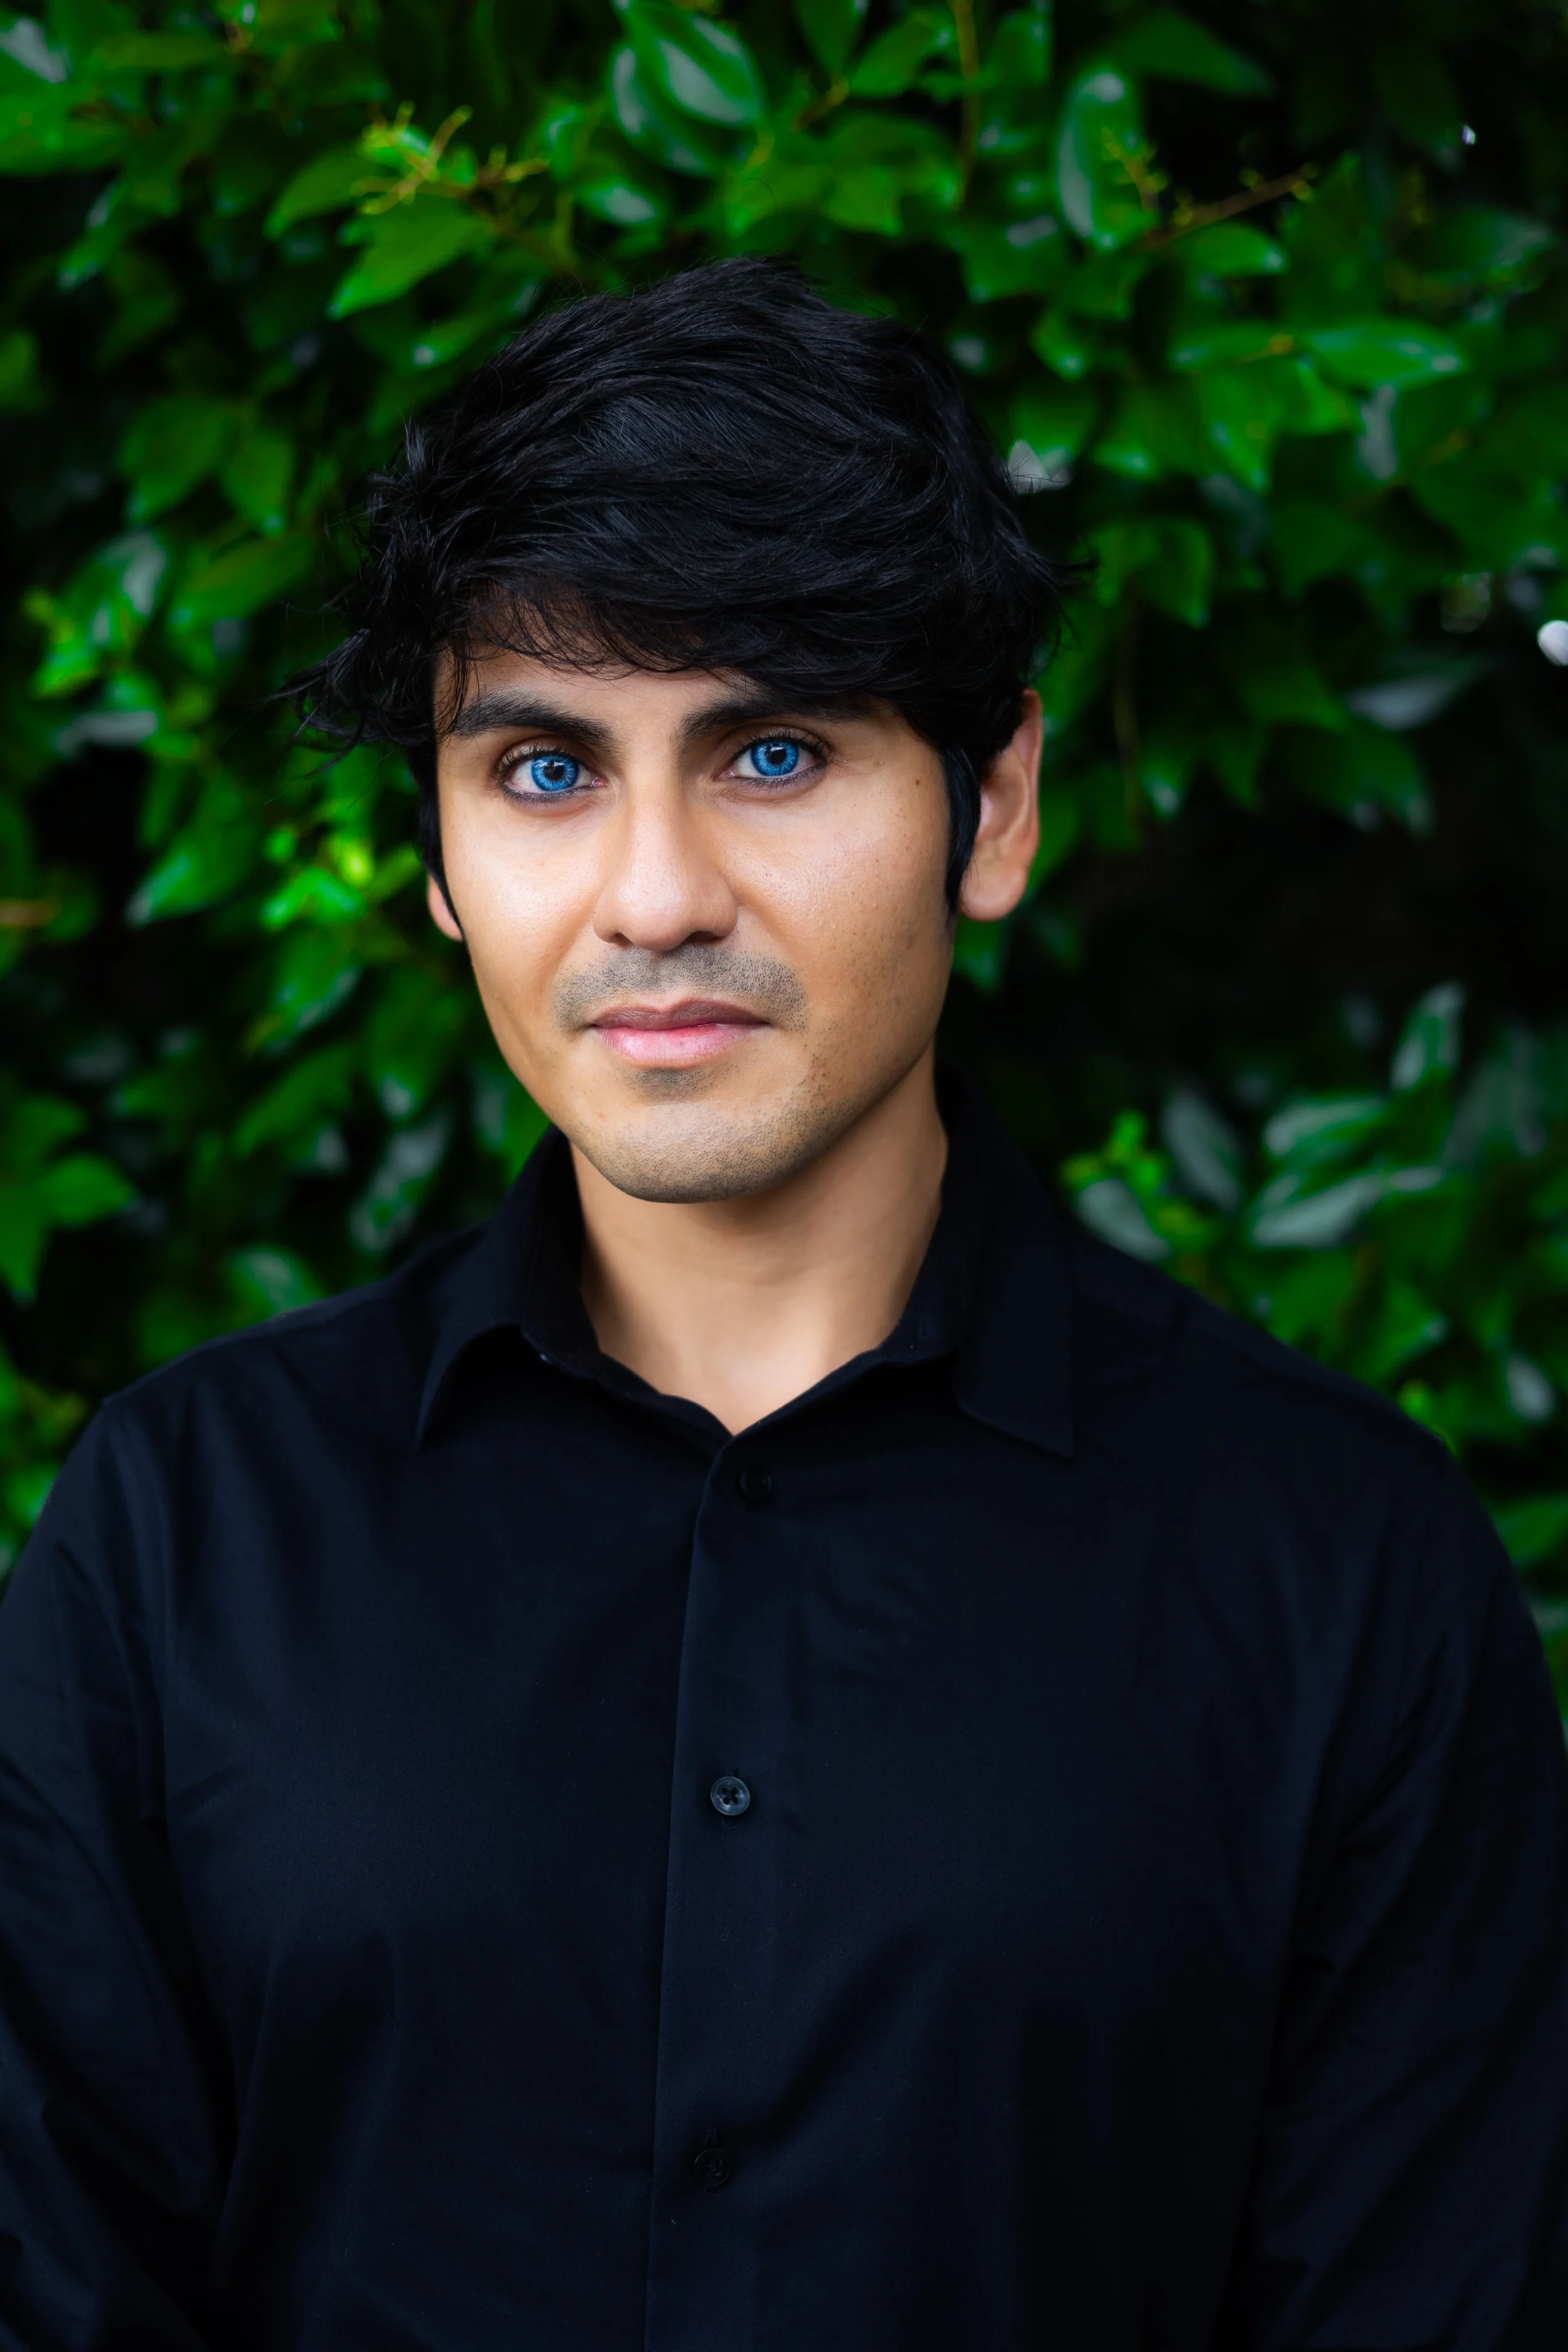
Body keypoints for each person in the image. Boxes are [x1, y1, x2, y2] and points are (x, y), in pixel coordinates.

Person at [0, 258, 1563, 2352]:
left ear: (991, 804)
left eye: (770, 749)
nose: (654, 897)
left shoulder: (1343, 1572)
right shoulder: (181, 1532)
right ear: (439, 858)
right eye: (544, 770)